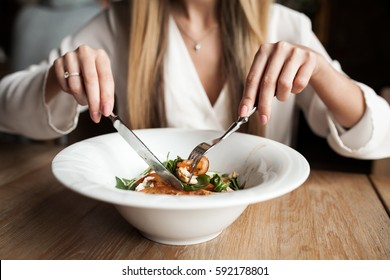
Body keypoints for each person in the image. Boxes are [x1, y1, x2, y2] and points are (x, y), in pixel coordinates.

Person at [0, 0, 389, 160]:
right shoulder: (121, 25)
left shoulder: (285, 24)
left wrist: (322, 72)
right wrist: (57, 78)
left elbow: (381, 135)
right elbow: (7, 110)